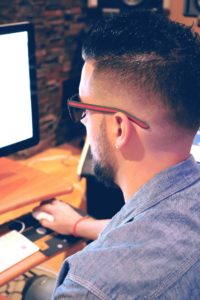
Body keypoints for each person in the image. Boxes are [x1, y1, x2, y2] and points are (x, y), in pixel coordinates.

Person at [49, 10, 200, 299]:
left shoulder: (89, 288)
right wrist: (79, 225)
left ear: (119, 127)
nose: (82, 120)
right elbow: (162, 227)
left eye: (86, 109)